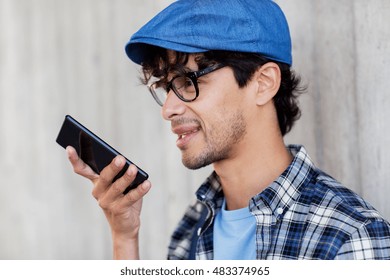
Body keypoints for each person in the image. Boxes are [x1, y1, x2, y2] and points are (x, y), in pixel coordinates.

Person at [66, 0, 390, 259]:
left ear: (263, 83)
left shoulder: (349, 237)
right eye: (167, 87)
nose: (168, 109)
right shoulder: (193, 226)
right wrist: (124, 237)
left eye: (188, 81)